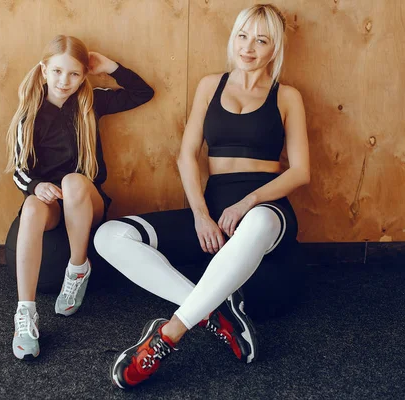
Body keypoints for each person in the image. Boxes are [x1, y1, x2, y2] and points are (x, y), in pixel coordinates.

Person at [94, 4, 309, 388]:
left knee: (257, 221)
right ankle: (215, 315)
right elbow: (186, 155)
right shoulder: (211, 85)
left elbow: (300, 171)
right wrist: (199, 214)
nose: (249, 47)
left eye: (261, 40)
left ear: (274, 47)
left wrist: (248, 202)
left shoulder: (287, 96)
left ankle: (169, 334)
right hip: (212, 206)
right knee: (108, 236)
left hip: (266, 209)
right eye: (243, 36)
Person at [5, 34, 154, 360]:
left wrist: (111, 67)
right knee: (30, 209)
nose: (64, 81)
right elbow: (18, 171)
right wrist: (35, 187)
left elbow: (143, 93)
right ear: (44, 70)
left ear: (84, 75)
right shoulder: (29, 112)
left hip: (86, 200)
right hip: (51, 203)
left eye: (74, 73)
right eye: (57, 71)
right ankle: (25, 313)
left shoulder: (91, 101)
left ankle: (77, 268)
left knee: (73, 181)